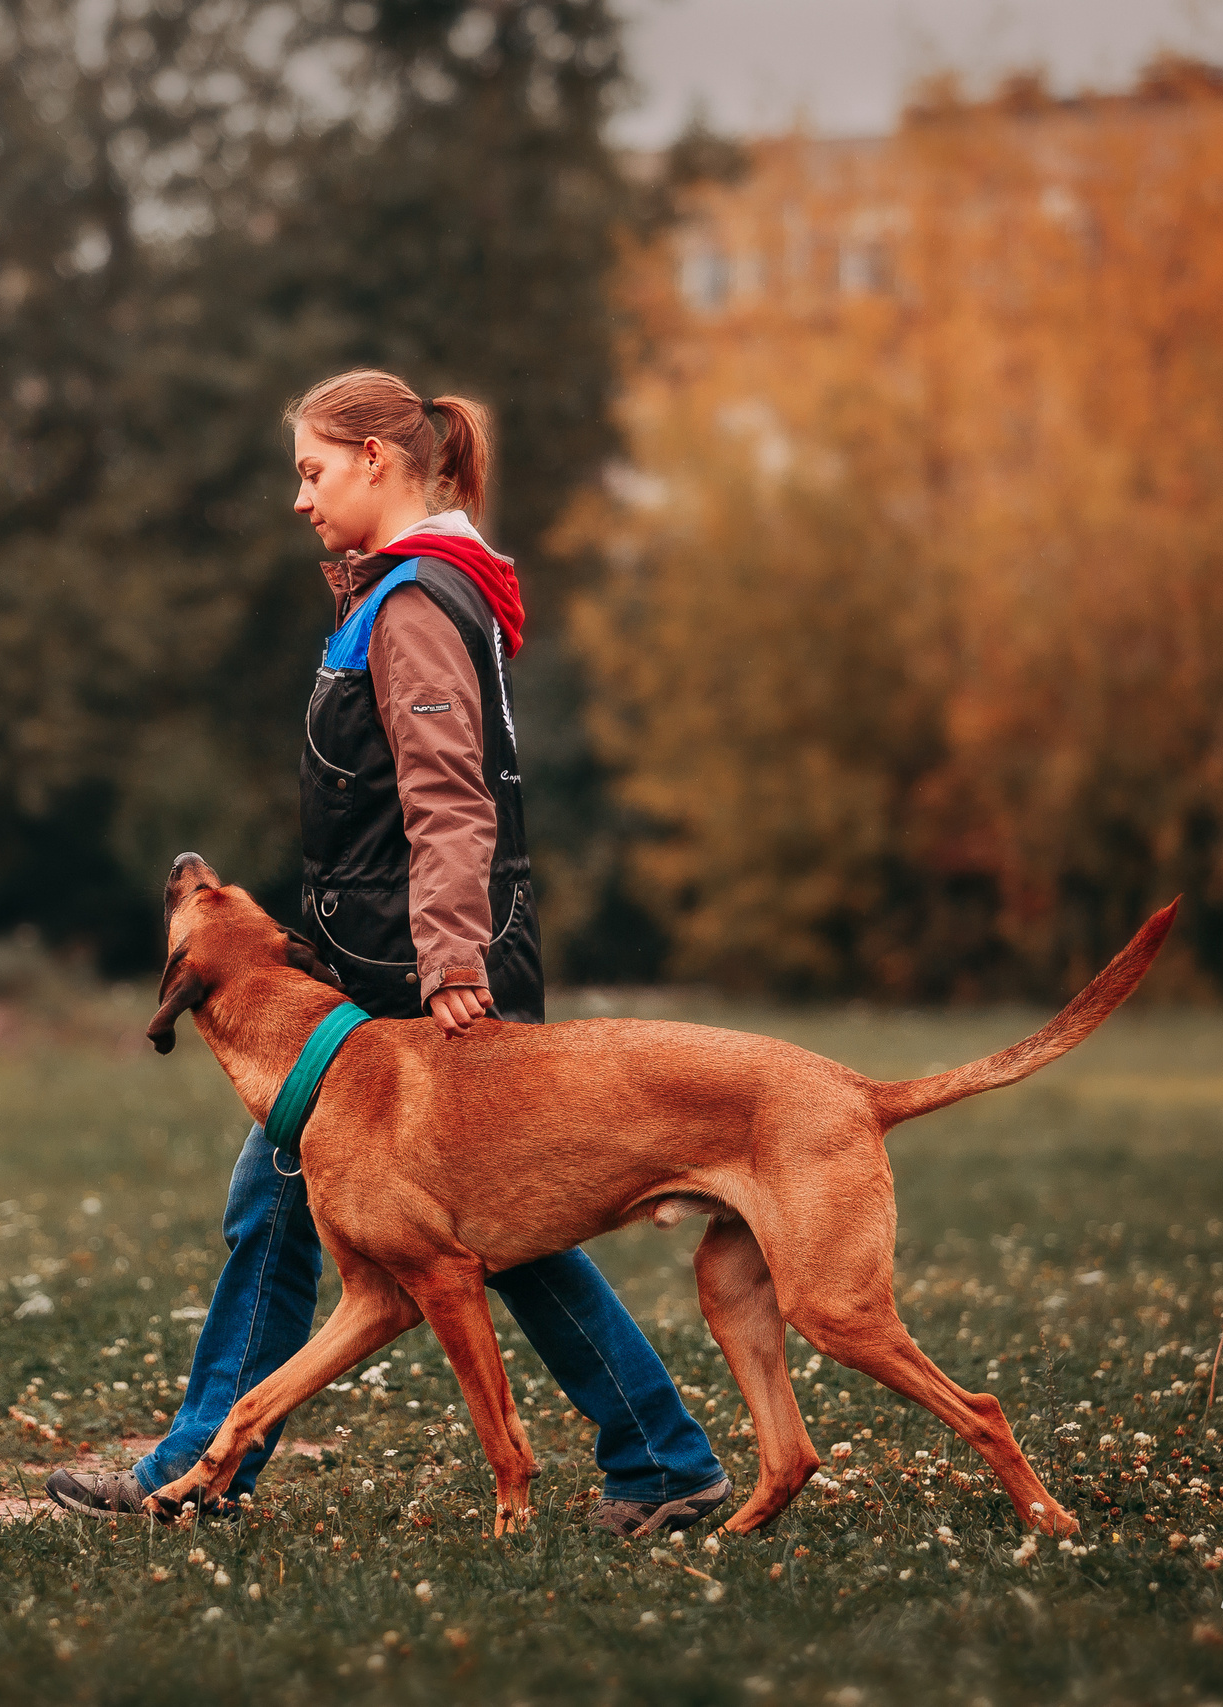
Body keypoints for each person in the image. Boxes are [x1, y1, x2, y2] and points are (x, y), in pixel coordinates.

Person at [46, 369, 728, 1535]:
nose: (300, 499)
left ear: (377, 459)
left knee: (351, 1212)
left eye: (312, 471)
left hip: (425, 976)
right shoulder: (417, 593)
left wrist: (454, 963)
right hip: (401, 966)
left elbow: (450, 804)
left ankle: (199, 1468)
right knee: (458, 1229)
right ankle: (659, 1459)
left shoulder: (415, 603)